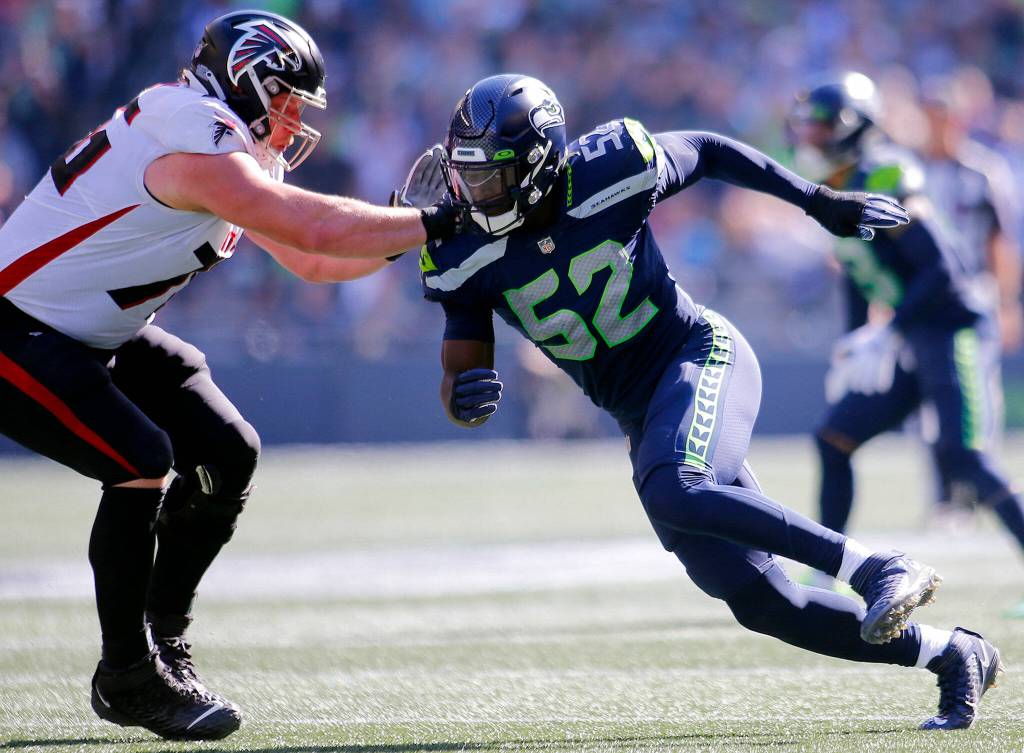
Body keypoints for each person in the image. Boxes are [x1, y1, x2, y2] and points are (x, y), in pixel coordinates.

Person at [411, 72, 1002, 731]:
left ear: (541, 164)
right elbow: (460, 357)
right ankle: (954, 653)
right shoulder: (458, 248)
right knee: (763, 601)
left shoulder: (608, 168)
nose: (473, 192)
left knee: (676, 485)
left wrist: (815, 200)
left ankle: (876, 566)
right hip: (641, 412)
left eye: (490, 177)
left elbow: (708, 150)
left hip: (695, 352)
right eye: (468, 174)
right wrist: (462, 396)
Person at [0, 10, 461, 742]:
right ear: (242, 77)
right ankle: (126, 676)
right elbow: (314, 231)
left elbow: (312, 260)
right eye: (284, 99)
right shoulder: (191, 127)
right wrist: (438, 221)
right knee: (140, 461)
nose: (290, 121)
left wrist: (411, 228)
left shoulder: (225, 147)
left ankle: (161, 636)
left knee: (226, 450)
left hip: (92, 332)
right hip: (18, 329)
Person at [787, 73, 1024, 612]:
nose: (813, 137)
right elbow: (854, 267)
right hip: (910, 331)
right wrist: (853, 341)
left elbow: (943, 272)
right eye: (809, 126)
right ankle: (828, 572)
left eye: (824, 126)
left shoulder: (887, 173)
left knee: (962, 456)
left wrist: (887, 330)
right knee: (834, 438)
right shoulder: (839, 183)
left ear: (853, 129)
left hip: (952, 324)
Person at [918, 75, 1023, 545]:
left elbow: (1000, 242)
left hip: (971, 304)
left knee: (975, 400)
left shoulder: (982, 172)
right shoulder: (911, 172)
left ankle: (980, 486)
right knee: (929, 405)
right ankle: (947, 493)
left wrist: (1006, 302)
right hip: (924, 305)